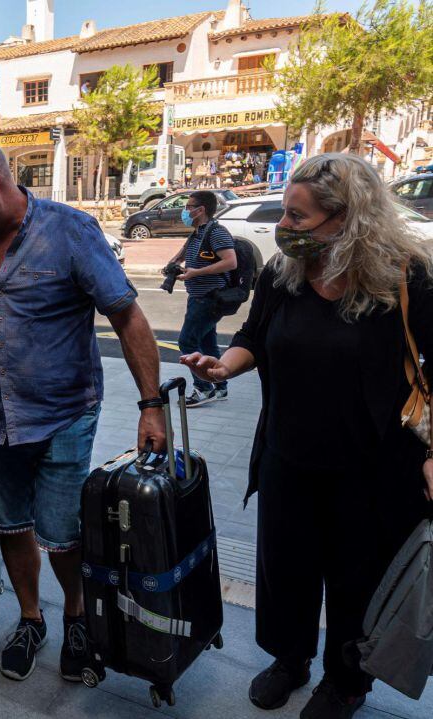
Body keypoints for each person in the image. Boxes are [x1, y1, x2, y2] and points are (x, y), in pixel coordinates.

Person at [180, 153, 433, 719]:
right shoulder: (283, 271)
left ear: (348, 218)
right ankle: (290, 660)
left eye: (298, 218)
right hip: (288, 457)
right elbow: (253, 334)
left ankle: (344, 682)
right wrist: (225, 366)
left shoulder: (405, 275)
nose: (283, 228)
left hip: (371, 469)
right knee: (285, 570)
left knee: (355, 582)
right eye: (285, 216)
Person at [0, 137, 167, 683]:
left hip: (65, 414)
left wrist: (151, 405)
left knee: (61, 533)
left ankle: (79, 619)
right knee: (11, 526)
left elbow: (127, 317)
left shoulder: (71, 231)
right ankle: (31, 620)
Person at [164, 190, 237, 407]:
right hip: (198, 297)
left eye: (188, 207)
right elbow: (183, 254)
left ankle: (203, 388)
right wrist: (172, 265)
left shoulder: (216, 232)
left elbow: (230, 261)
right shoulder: (197, 232)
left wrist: (196, 273)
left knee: (186, 341)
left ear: (200, 209)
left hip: (209, 298)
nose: (185, 211)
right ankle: (220, 386)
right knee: (208, 343)